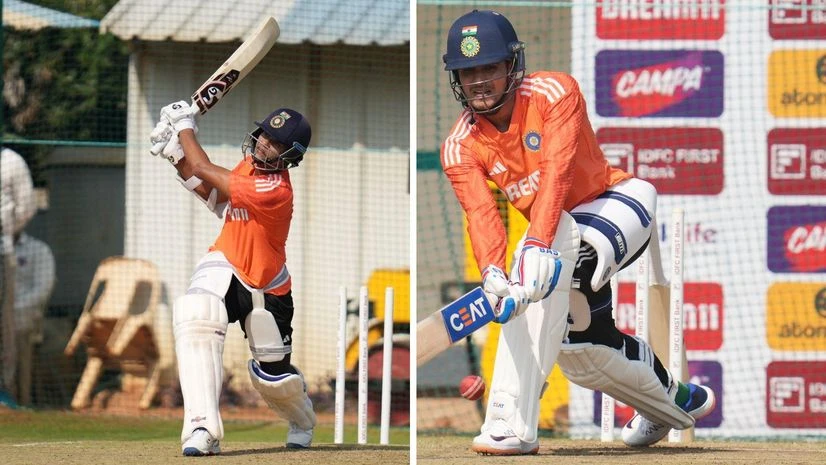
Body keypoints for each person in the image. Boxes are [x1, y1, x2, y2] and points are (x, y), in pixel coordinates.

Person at [439, 10, 716, 455]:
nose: (479, 81)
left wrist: (533, 247)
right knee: (582, 352)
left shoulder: (554, 91)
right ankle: (674, 402)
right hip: (556, 241)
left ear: (512, 66)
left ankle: (509, 421)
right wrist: (493, 274)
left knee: (557, 254)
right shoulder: (460, 145)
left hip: (616, 206)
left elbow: (558, 174)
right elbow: (480, 213)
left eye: (489, 67)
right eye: (467, 71)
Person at [149, 101, 316, 456]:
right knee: (195, 312)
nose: (263, 144)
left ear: (291, 156)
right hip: (226, 263)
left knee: (272, 379)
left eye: (276, 143)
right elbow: (218, 200)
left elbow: (204, 168)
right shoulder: (249, 169)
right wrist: (175, 158)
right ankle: (201, 428)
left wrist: (183, 127)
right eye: (265, 134)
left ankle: (302, 419)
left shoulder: (275, 189)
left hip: (269, 287)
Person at [0, 147, 36, 402]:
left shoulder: (11, 161)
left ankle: (4, 391)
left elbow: (26, 207)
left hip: (2, 252)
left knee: (4, 323)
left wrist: (6, 232)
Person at [13, 231, 56, 405]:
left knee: (20, 330)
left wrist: (12, 310)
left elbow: (43, 290)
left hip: (24, 318)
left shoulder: (38, 249)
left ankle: (21, 402)